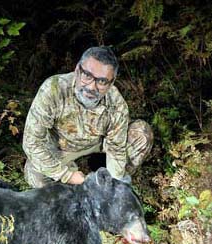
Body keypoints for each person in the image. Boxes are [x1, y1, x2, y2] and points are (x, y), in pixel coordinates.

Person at [22, 46, 153, 188]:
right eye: (87, 76)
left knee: (141, 134)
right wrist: (67, 176)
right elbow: (32, 142)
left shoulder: (116, 104)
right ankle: (74, 186)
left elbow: (116, 150)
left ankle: (102, 182)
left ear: (112, 82)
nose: (91, 87)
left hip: (97, 145)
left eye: (102, 81)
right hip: (60, 148)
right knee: (36, 175)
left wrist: (112, 186)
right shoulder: (54, 89)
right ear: (77, 70)